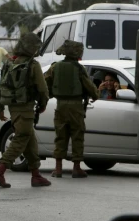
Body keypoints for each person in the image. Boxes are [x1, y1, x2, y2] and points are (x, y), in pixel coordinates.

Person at [0, 32, 51, 188]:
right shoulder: (33, 65)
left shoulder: (10, 63)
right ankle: (0, 171)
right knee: (21, 139)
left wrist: (0, 107)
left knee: (30, 141)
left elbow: (1, 87)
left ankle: (36, 175)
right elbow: (42, 89)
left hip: (13, 107)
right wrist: (43, 103)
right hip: (26, 107)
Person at [44, 40, 99, 178]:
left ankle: (58, 169)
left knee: (60, 136)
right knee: (77, 135)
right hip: (76, 106)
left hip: (60, 105)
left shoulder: (55, 67)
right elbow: (89, 87)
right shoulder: (79, 69)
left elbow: (46, 85)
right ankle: (76, 168)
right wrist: (96, 94)